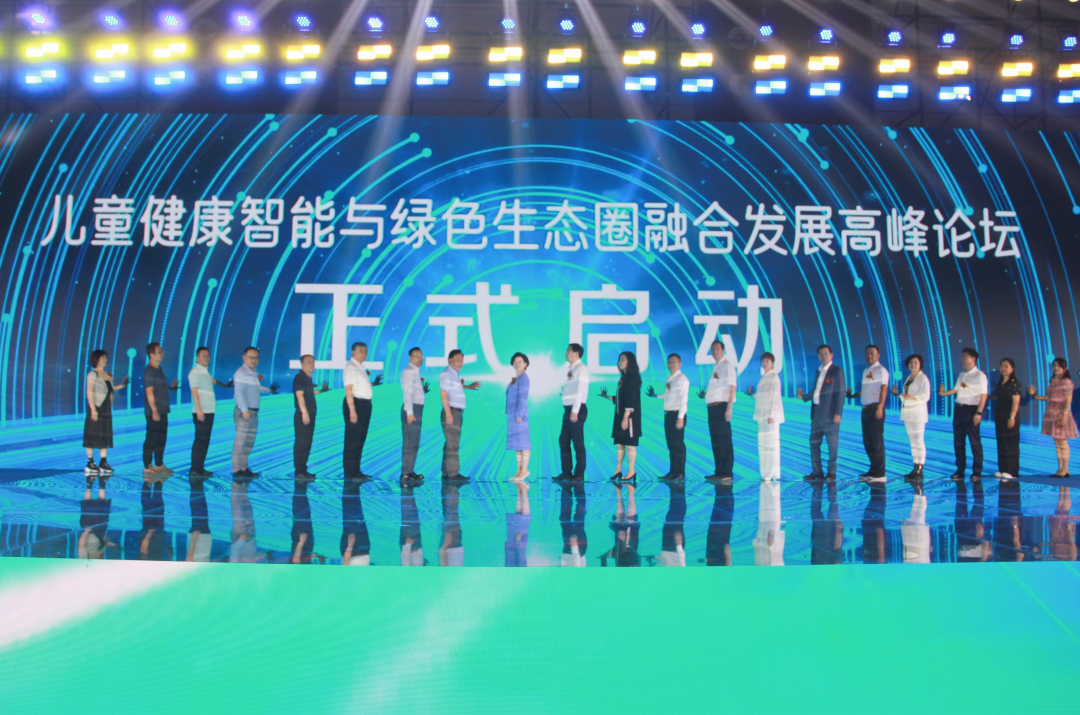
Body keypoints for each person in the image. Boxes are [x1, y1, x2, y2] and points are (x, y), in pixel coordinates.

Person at [938, 347, 989, 481]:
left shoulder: (980, 375)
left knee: (974, 442)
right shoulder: (962, 374)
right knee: (958, 442)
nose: (962, 359)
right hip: (959, 409)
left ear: (973, 359)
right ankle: (960, 470)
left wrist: (979, 412)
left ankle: (977, 472)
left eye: (965, 357)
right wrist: (944, 393)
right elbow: (956, 389)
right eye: (962, 357)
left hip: (972, 410)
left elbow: (984, 395)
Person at [797, 344, 846, 480]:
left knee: (832, 445)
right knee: (814, 443)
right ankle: (817, 471)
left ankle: (832, 472)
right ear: (818, 356)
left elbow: (841, 392)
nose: (823, 356)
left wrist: (838, 412)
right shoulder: (819, 371)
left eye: (826, 353)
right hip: (816, 413)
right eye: (821, 353)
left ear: (831, 355)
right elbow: (817, 391)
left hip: (830, 414)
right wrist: (804, 397)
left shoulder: (836, 371)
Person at [1027, 357, 1079, 477]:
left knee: (1062, 441)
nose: (1056, 368)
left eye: (1059, 366)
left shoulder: (1066, 381)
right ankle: (1060, 468)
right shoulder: (1053, 380)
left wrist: (1064, 416)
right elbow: (1049, 398)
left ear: (1065, 369)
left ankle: (1065, 469)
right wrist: (1034, 396)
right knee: (1057, 442)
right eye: (1054, 365)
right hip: (1051, 412)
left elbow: (1068, 401)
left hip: (1061, 412)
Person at [188, 346, 232, 478]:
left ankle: (200, 468)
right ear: (197, 357)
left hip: (209, 411)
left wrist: (226, 386)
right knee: (200, 441)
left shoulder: (205, 372)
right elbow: (194, 392)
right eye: (203, 356)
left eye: (208, 356)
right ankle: (194, 469)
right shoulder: (194, 372)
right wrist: (199, 411)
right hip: (201, 412)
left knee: (205, 441)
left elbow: (213, 381)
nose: (207, 358)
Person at [846, 345, 889, 479]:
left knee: (877, 441)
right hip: (865, 409)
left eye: (872, 353)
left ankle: (880, 472)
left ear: (878, 355)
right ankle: (873, 469)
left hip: (875, 408)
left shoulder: (881, 370)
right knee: (868, 441)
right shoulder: (866, 370)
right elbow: (864, 390)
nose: (869, 356)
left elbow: (884, 389)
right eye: (867, 354)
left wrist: (880, 406)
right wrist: (851, 395)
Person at [83, 349, 128, 475]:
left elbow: (110, 389)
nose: (105, 360)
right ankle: (90, 462)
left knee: (105, 434)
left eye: (105, 357)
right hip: (96, 406)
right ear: (96, 359)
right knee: (92, 434)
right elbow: (89, 392)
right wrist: (93, 409)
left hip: (106, 407)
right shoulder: (93, 374)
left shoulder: (107, 374)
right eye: (102, 357)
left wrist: (122, 385)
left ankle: (103, 461)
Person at [232, 347, 275, 479]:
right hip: (245, 412)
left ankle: (244, 467)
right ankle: (236, 469)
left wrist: (268, 390)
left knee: (249, 442)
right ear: (244, 358)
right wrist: (244, 410)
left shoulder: (253, 372)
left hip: (253, 412)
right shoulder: (241, 373)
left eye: (256, 358)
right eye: (251, 357)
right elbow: (238, 393)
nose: (254, 360)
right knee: (240, 442)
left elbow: (256, 388)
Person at [439, 349, 480, 480]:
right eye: (457, 360)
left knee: (450, 443)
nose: (460, 363)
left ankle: (447, 472)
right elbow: (443, 393)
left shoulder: (454, 374)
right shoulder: (446, 374)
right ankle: (453, 474)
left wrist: (469, 386)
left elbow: (455, 388)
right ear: (449, 360)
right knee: (453, 444)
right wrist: (448, 413)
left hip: (456, 412)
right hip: (451, 411)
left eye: (462, 360)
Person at [601, 351, 642, 481]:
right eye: (619, 359)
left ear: (630, 362)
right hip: (620, 416)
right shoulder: (624, 379)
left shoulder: (632, 378)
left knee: (630, 444)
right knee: (620, 444)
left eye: (623, 359)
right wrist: (606, 397)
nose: (620, 362)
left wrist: (626, 417)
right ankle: (618, 470)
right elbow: (620, 399)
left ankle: (631, 471)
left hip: (629, 417)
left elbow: (631, 399)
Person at [343, 342, 381, 480]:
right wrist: (352, 410)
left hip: (365, 405)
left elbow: (360, 385)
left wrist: (373, 383)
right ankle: (350, 473)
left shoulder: (360, 367)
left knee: (359, 440)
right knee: (352, 441)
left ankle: (356, 471)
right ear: (353, 352)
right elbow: (349, 390)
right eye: (361, 351)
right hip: (355, 404)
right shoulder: (351, 367)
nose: (364, 354)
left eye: (365, 351)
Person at [649, 353, 689, 480]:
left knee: (678, 445)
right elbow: (669, 395)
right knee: (671, 445)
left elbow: (683, 399)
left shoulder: (682, 379)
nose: (671, 364)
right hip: (669, 414)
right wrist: (655, 396)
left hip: (677, 414)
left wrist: (680, 417)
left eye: (674, 362)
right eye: (669, 362)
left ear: (680, 364)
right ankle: (673, 472)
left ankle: (680, 473)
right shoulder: (670, 378)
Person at [142, 342, 179, 478]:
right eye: (159, 352)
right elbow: (149, 391)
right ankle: (147, 465)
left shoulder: (159, 369)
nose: (162, 354)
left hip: (163, 410)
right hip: (154, 412)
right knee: (151, 439)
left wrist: (172, 388)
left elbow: (160, 386)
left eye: (162, 351)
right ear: (151, 354)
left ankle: (159, 464)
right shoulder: (149, 371)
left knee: (161, 439)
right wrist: (154, 410)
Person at [891, 354, 931, 478]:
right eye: (911, 363)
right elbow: (906, 396)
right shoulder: (909, 378)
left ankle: (920, 468)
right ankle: (915, 467)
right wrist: (897, 394)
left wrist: (911, 397)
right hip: (908, 412)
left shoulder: (923, 378)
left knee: (919, 440)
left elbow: (925, 396)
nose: (913, 365)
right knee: (913, 441)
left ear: (920, 364)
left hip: (917, 413)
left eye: (915, 362)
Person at [746, 352, 783, 480]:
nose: (765, 363)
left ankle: (772, 473)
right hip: (761, 415)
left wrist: (772, 414)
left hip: (770, 417)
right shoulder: (764, 378)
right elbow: (762, 396)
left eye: (767, 361)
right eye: (763, 361)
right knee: (763, 445)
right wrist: (752, 395)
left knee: (771, 445)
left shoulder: (774, 377)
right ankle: (766, 473)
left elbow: (775, 397)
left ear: (772, 363)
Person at [554, 343, 589, 481]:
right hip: (568, 409)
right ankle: (566, 472)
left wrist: (575, 411)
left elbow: (581, 390)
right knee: (563, 440)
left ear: (575, 354)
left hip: (576, 409)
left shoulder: (581, 369)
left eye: (568, 351)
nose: (566, 353)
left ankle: (579, 474)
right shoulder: (572, 369)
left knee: (578, 443)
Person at [293, 354, 330, 481]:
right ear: (302, 364)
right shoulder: (300, 378)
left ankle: (303, 470)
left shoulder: (307, 378)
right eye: (308, 362)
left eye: (313, 362)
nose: (311, 364)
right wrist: (304, 412)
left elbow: (309, 392)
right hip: (303, 415)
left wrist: (322, 391)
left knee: (307, 443)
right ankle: (299, 472)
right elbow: (299, 395)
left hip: (309, 414)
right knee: (302, 443)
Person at [704, 340, 738, 480]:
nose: (715, 351)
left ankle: (727, 473)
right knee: (716, 441)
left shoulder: (727, 365)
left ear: (723, 350)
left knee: (724, 440)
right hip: (712, 408)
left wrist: (729, 407)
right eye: (713, 349)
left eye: (717, 348)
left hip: (722, 407)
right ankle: (719, 471)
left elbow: (732, 386)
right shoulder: (716, 366)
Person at [990, 358, 1023, 479]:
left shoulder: (1015, 382)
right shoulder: (1000, 382)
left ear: (1012, 369)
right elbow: (998, 398)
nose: (1003, 368)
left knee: (1011, 443)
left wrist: (1012, 416)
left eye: (1006, 366)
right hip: (1000, 415)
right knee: (1001, 442)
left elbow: (1016, 400)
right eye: (1001, 366)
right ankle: (1003, 469)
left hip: (1010, 416)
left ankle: (1012, 471)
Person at [400, 346, 427, 480]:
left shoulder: (415, 371)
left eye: (421, 356)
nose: (420, 359)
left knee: (414, 442)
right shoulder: (409, 371)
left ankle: (410, 471)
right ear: (410, 358)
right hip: (412, 409)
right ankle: (406, 473)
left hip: (416, 408)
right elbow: (407, 393)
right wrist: (410, 413)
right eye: (417, 356)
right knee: (410, 442)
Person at [505, 352, 531, 481]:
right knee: (518, 444)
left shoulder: (524, 378)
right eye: (515, 362)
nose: (517, 364)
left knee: (523, 444)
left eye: (520, 361)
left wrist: (519, 414)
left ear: (525, 364)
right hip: (513, 415)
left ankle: (524, 470)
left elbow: (523, 398)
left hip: (519, 415)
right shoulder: (516, 378)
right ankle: (519, 471)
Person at [505, 480, 530, 567]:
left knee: (517, 514)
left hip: (511, 542)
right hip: (517, 542)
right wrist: (519, 543)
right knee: (524, 517)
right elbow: (522, 560)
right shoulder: (518, 573)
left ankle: (520, 489)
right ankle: (524, 490)